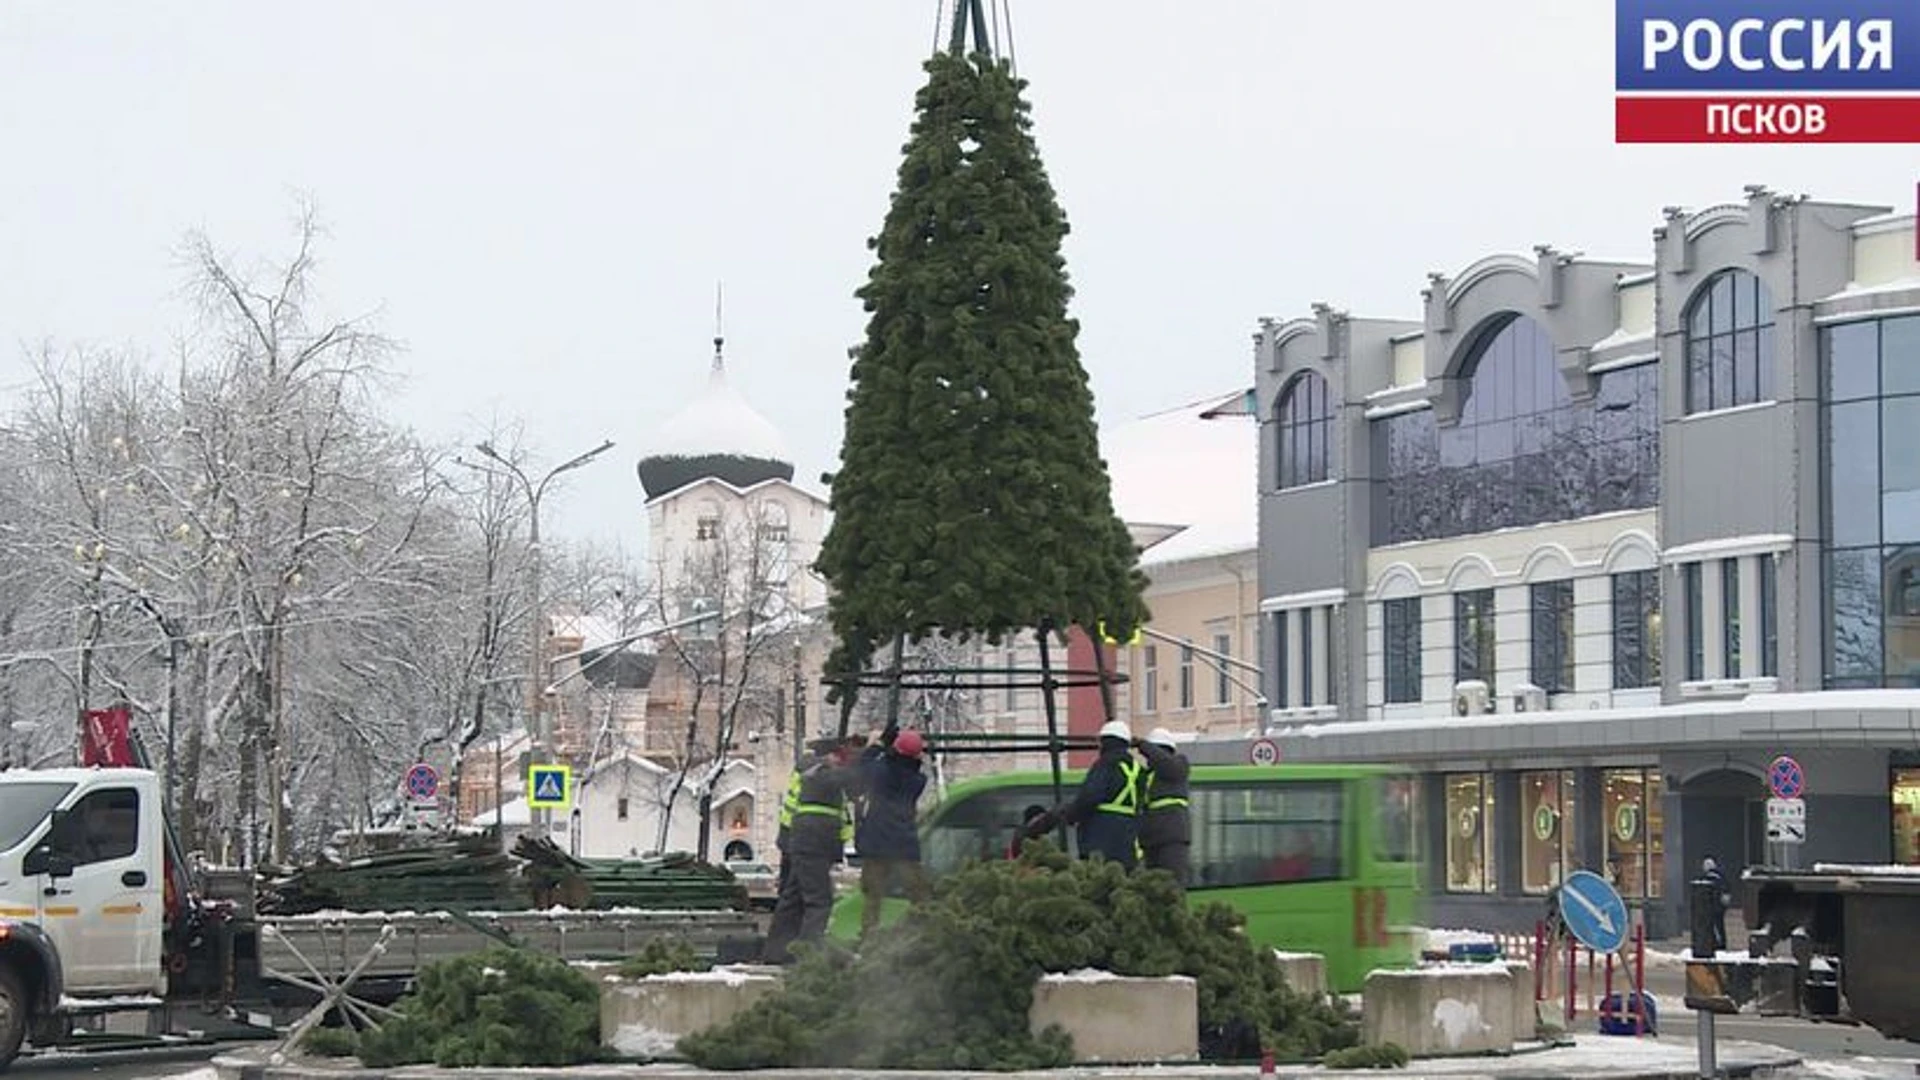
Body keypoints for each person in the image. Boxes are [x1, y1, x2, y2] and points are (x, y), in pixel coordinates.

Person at [761, 738, 862, 964]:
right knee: (819, 901)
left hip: (799, 842)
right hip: (811, 843)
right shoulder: (817, 772)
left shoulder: (810, 771)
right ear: (828, 755)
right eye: (839, 756)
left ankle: (777, 952)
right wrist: (869, 752)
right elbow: (852, 779)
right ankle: (808, 955)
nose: (841, 760)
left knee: (793, 897)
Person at [1025, 720, 1143, 868]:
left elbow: (1089, 797)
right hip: (1128, 842)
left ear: (1106, 741)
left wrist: (1072, 815)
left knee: (1098, 881)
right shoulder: (1138, 768)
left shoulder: (1105, 764)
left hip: (1101, 837)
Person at [855, 727, 931, 938]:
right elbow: (903, 767)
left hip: (876, 843)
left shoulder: (881, 771)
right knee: (919, 895)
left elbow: (863, 767)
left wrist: (876, 744)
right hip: (904, 845)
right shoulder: (917, 781)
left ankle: (868, 937)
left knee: (873, 898)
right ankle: (923, 934)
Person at [1135, 727, 1191, 888]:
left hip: (1172, 837)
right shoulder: (1147, 775)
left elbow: (1167, 765)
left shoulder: (1179, 764)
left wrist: (1143, 746)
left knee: (1171, 888)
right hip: (1151, 839)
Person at [1701, 856, 1731, 952]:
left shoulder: (1709, 879)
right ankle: (1721, 943)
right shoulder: (1721, 877)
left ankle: (1718, 944)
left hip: (1713, 906)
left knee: (1714, 926)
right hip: (1720, 907)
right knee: (1720, 925)